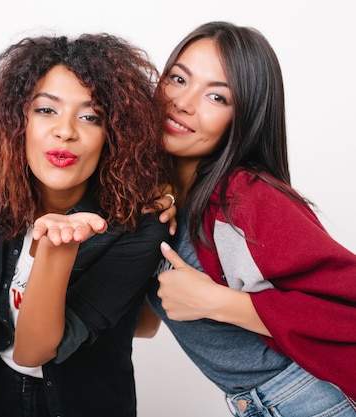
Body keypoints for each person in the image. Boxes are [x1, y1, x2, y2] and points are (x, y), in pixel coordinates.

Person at [137, 21, 356, 416]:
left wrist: (218, 302)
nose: (184, 102)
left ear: (245, 116)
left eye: (217, 97)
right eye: (178, 78)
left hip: (312, 399)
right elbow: (143, 326)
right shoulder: (159, 197)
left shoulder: (244, 197)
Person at [0, 33, 171, 417]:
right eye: (46, 110)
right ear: (16, 119)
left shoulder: (139, 226)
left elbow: (34, 350)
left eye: (91, 117)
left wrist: (56, 246)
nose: (66, 130)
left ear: (114, 135)